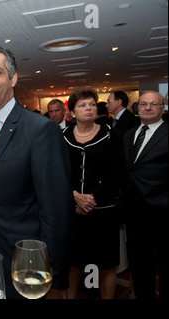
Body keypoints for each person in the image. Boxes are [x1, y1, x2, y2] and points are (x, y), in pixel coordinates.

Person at [0, 45, 74, 299]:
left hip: (24, 265)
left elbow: (57, 210)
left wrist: (53, 273)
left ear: (13, 78)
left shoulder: (40, 130)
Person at [62, 88, 125, 299]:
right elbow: (57, 173)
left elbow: (119, 173)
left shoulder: (111, 135)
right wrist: (74, 196)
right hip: (72, 213)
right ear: (71, 113)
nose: (88, 108)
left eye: (91, 104)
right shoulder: (62, 137)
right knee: (74, 263)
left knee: (105, 265)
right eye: (82, 105)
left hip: (104, 211)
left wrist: (90, 197)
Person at [123, 90, 167, 299]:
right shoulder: (129, 135)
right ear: (137, 108)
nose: (148, 108)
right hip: (134, 213)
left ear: (162, 108)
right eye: (143, 104)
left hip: (162, 213)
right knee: (140, 265)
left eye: (154, 104)